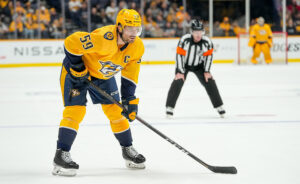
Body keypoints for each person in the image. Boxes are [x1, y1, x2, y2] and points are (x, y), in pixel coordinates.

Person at [52, 9, 145, 176]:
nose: (134, 33)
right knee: (75, 111)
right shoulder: (104, 38)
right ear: (119, 27)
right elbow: (71, 42)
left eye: (137, 28)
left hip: (103, 75)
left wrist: (129, 100)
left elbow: (130, 76)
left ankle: (127, 149)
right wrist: (78, 67)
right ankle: (61, 154)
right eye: (130, 28)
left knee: (117, 112)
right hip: (75, 74)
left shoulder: (137, 47)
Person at [165, 19, 225, 118]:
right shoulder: (184, 40)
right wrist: (180, 71)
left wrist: (206, 71)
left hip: (199, 66)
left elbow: (209, 57)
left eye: (200, 32)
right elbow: (179, 56)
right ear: (191, 32)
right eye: (196, 32)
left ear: (203, 32)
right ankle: (169, 107)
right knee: (178, 80)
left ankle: (219, 106)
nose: (198, 35)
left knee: (209, 80)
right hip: (184, 65)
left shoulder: (207, 42)